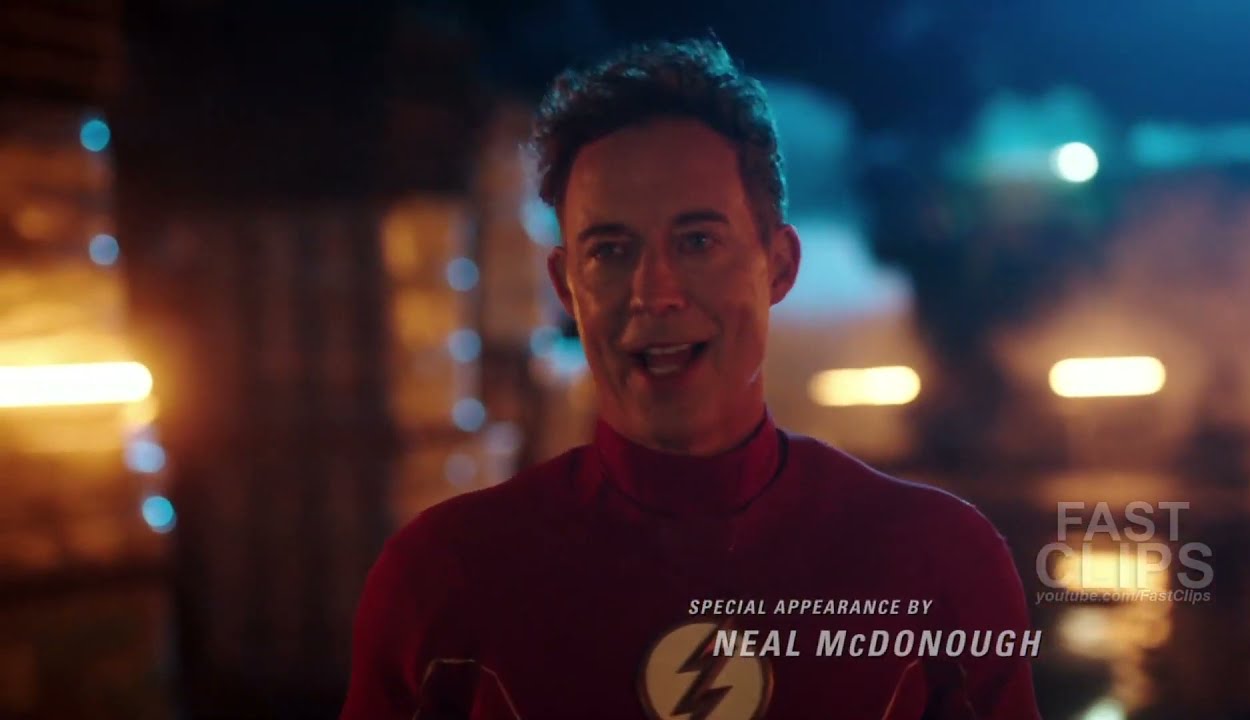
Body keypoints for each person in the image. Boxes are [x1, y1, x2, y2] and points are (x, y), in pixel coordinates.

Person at [342, 38, 1041, 719]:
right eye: (611, 250)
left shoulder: (938, 563)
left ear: (779, 265)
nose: (655, 292)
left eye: (698, 241)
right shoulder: (446, 578)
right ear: (564, 286)